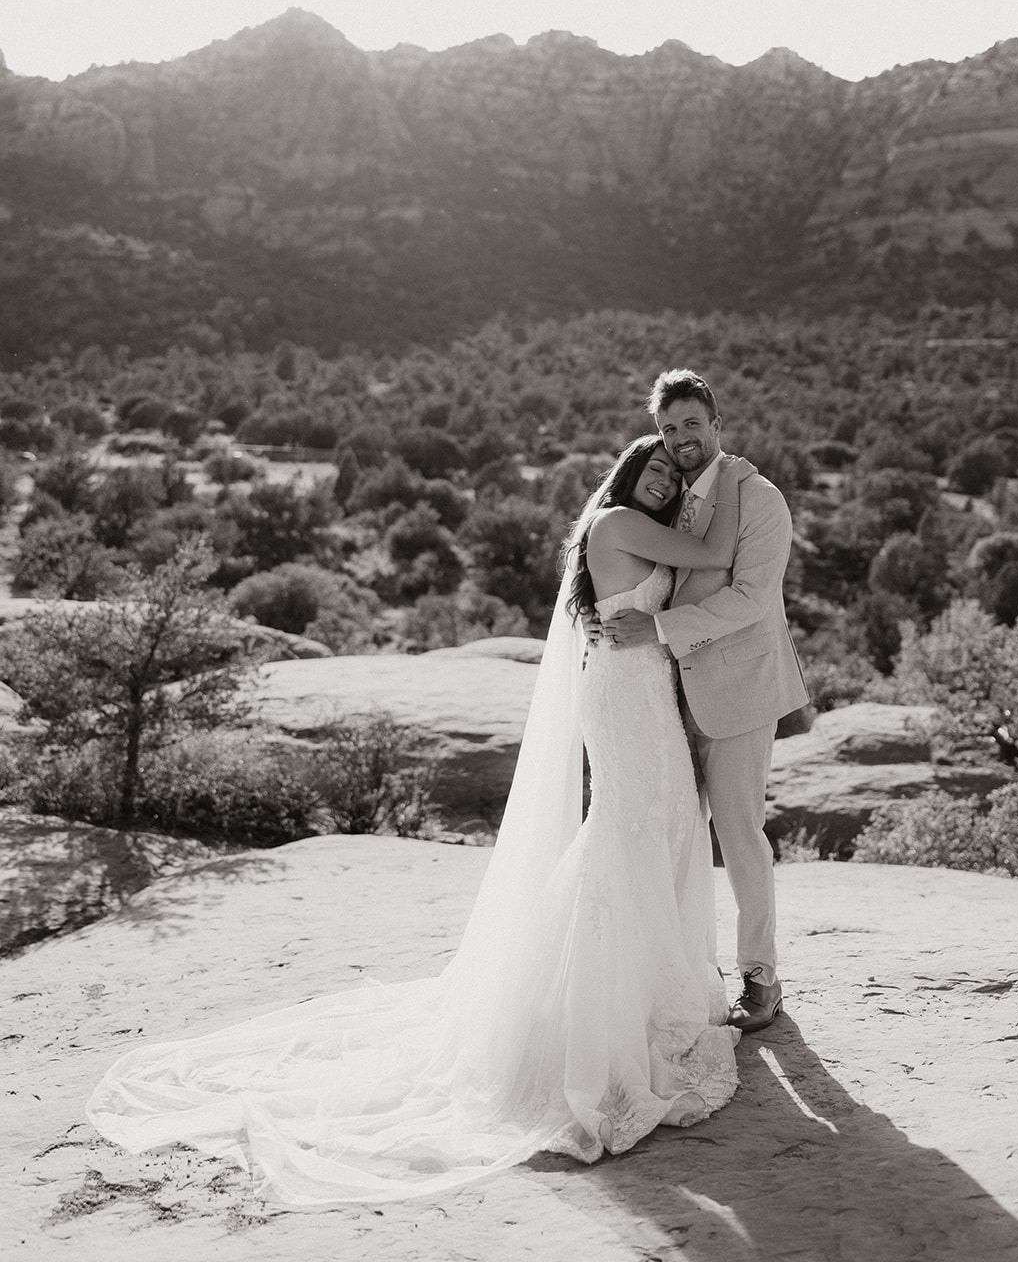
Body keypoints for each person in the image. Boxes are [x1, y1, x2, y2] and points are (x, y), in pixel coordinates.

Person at [86, 434, 739, 1207]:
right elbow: (716, 550)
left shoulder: (629, 525)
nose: (665, 478)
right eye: (655, 468)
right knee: (627, 830)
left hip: (643, 689)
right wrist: (724, 471)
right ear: (631, 475)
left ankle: (645, 992)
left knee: (657, 824)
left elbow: (686, 566)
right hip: (627, 698)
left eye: (673, 470)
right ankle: (594, 1018)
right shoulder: (616, 525)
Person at [596, 370, 809, 1034]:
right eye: (667, 429)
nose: (680, 438)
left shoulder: (760, 498)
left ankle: (761, 978)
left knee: (738, 835)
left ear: (715, 423)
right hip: (667, 696)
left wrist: (656, 629)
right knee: (674, 834)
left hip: (739, 691)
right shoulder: (672, 500)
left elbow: (750, 600)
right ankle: (684, 967)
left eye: (691, 424)